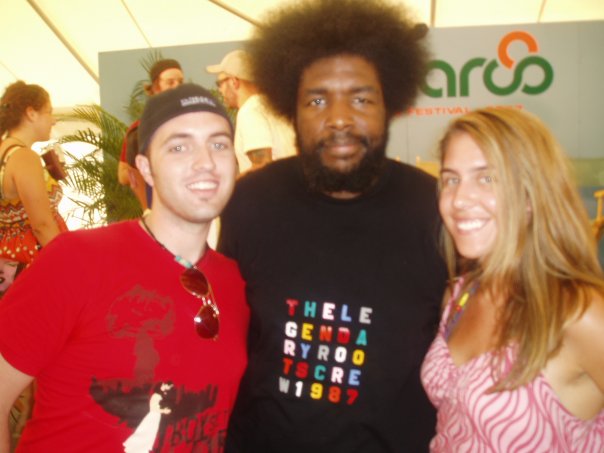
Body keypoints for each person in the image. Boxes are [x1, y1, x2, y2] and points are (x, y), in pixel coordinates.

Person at [217, 1, 447, 451]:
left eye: (361, 99)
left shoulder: (435, 207)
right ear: (291, 109)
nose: (339, 118)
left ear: (390, 105)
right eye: (317, 100)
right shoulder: (250, 202)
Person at [0, 83, 249, 452]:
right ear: (145, 168)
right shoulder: (76, 261)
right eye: (179, 147)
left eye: (219, 144)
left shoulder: (238, 282)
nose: (205, 162)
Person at [421, 107, 604, 452]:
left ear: (532, 194)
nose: (459, 200)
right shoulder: (460, 295)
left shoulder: (578, 313)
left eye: (487, 178)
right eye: (451, 180)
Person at [0, 81, 67, 283]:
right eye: (49, 112)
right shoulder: (23, 157)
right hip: (34, 259)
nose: (53, 120)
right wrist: (69, 262)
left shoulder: (5, 152)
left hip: (10, 260)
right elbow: (42, 225)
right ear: (31, 113)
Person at [206, 50, 295, 174]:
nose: (220, 90)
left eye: (219, 83)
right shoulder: (274, 107)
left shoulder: (249, 111)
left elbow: (263, 165)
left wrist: (230, 184)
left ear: (234, 82)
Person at [117, 58, 185, 210]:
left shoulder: (194, 125)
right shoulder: (140, 129)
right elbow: (123, 175)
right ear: (156, 88)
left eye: (180, 82)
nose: (177, 87)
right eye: (170, 82)